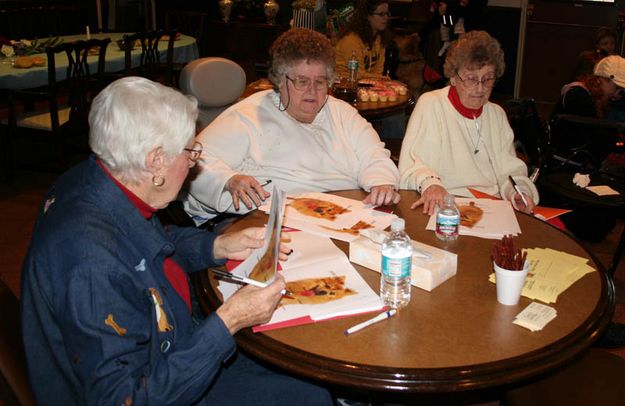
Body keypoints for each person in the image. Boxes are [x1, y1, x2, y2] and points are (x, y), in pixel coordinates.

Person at [20, 77, 333, 405]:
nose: (195, 160)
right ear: (155, 162)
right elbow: (124, 398)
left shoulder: (102, 180)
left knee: (298, 366)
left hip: (173, 336)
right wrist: (229, 320)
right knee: (310, 395)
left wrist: (215, 246)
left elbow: (148, 242)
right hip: (157, 378)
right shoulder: (90, 265)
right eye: (190, 151)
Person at [183, 28, 400, 225]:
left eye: (320, 82)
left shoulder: (343, 113)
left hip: (344, 217)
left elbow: (374, 155)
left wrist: (381, 183)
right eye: (302, 82)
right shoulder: (248, 116)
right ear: (280, 80)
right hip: (270, 222)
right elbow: (194, 159)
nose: (312, 91)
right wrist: (229, 179)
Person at [398, 31, 538, 215]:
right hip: (446, 204)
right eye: (471, 78)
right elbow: (414, 165)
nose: (480, 88)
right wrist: (431, 184)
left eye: (487, 78)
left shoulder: (496, 115)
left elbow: (509, 169)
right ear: (453, 77)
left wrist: (516, 192)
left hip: (491, 207)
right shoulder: (432, 104)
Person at [335, 0, 392, 77]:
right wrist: (383, 79)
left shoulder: (379, 39)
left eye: (387, 13)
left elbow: (378, 72)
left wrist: (381, 80)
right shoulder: (351, 40)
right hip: (344, 85)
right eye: (381, 14)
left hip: (365, 84)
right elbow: (358, 75)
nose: (386, 18)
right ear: (367, 16)